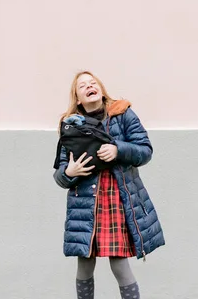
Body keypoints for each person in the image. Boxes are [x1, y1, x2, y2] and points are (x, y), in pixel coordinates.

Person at [53, 70, 165, 299]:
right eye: (82, 86)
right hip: (85, 203)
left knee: (119, 265)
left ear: (101, 88)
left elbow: (145, 151)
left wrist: (118, 149)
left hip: (117, 197)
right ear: (77, 98)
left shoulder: (122, 114)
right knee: (84, 266)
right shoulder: (71, 125)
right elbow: (59, 174)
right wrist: (69, 172)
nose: (89, 86)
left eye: (92, 82)